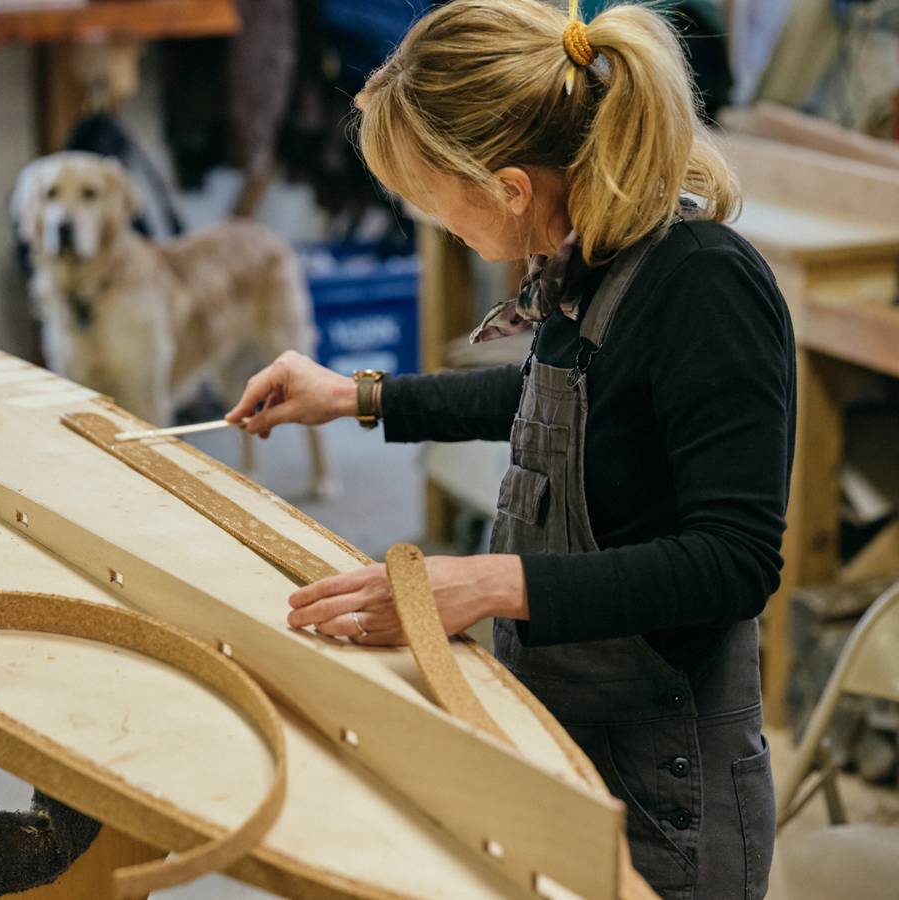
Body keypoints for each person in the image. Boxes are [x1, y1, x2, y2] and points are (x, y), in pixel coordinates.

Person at [225, 1, 796, 897]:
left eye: (435, 204)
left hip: (665, 782)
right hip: (565, 730)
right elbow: (558, 400)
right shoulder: (591, 256)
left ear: (510, 188)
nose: (440, 226)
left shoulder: (704, 286)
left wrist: (483, 583)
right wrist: (356, 396)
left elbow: (734, 561)